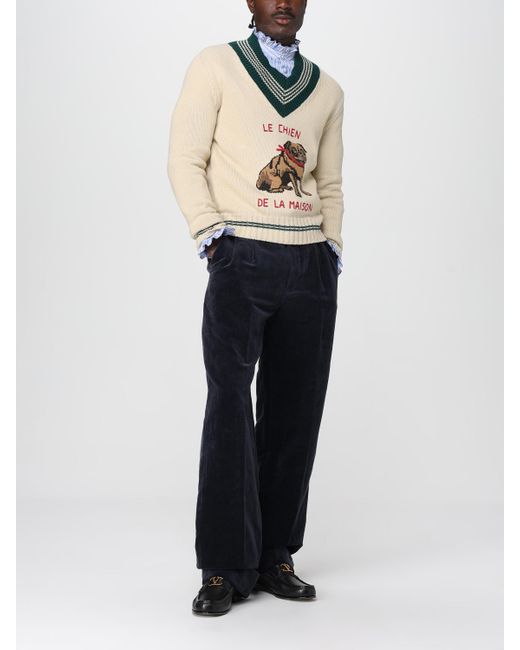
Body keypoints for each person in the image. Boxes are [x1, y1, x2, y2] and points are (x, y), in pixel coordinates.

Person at [167, 0, 344, 616]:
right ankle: (224, 565)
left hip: (310, 265)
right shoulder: (216, 65)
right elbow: (184, 157)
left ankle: (274, 556)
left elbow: (329, 183)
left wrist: (331, 248)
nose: (283, 4)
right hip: (240, 255)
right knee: (229, 407)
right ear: (250, 2)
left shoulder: (327, 89)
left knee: (296, 412)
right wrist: (211, 233)